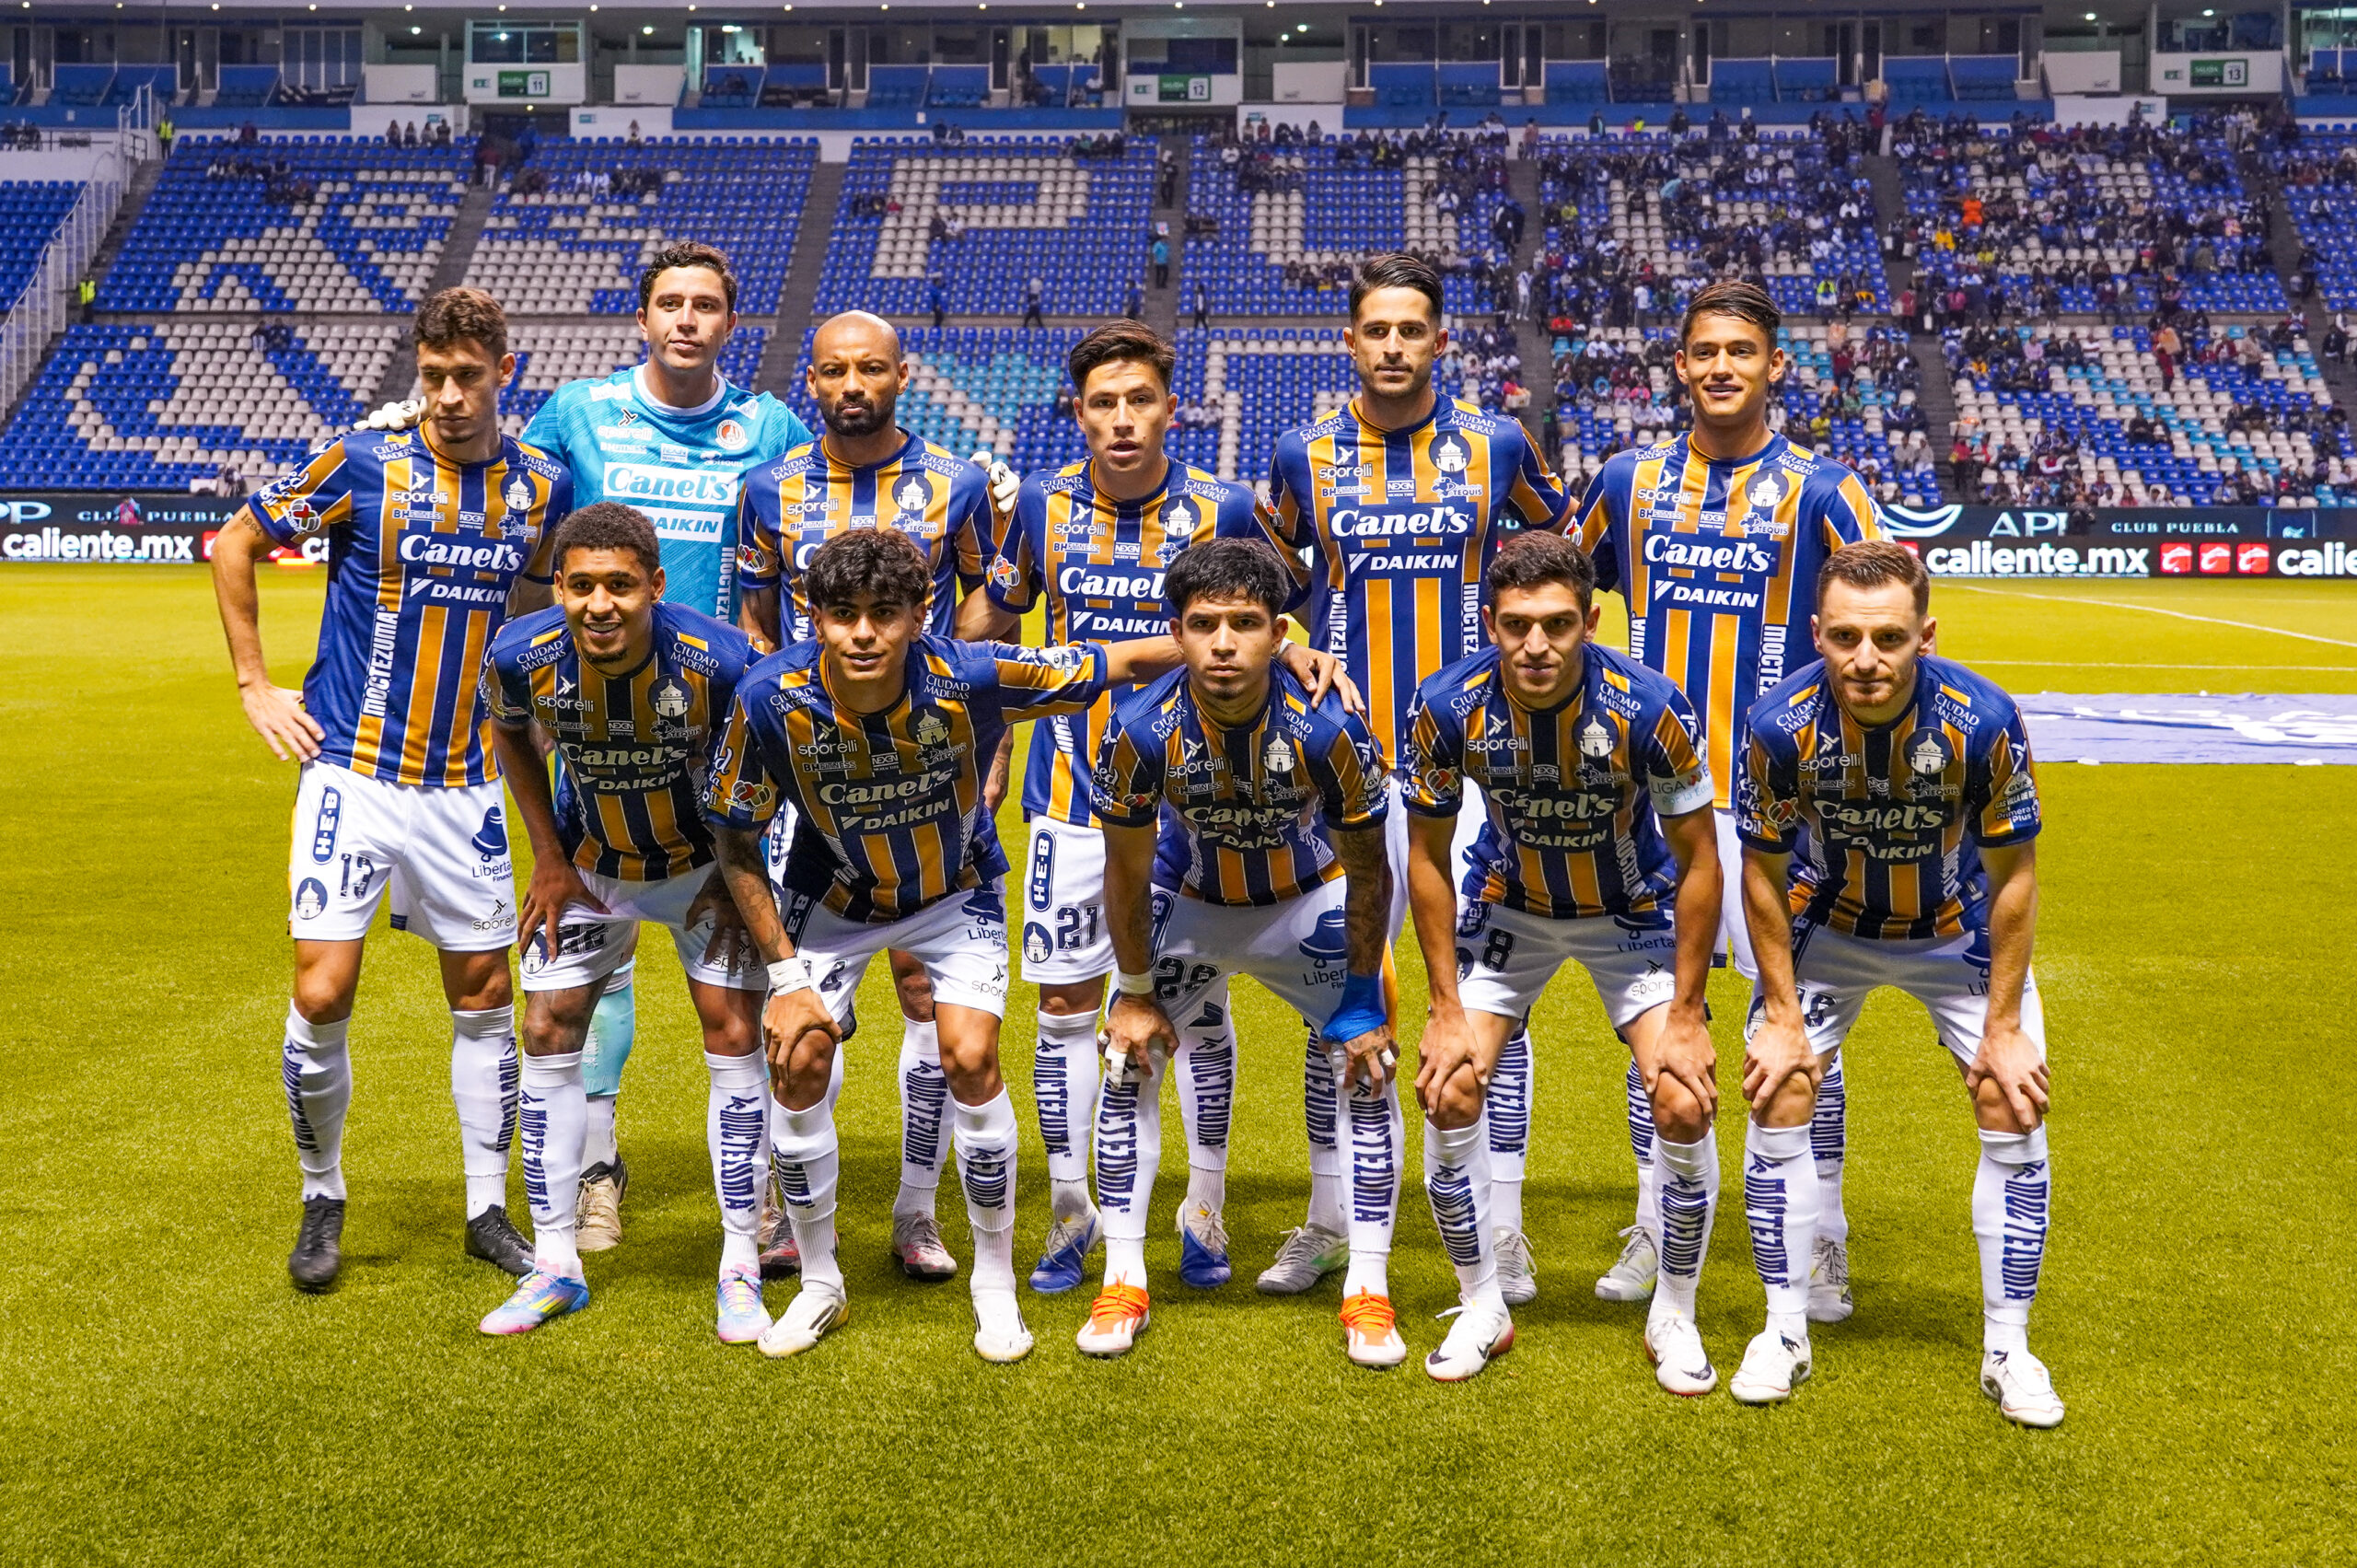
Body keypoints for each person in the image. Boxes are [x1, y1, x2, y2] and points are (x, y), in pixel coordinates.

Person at [703, 528, 1183, 1363]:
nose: (863, 632)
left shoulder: (971, 674)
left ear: (920, 614)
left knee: (969, 1055)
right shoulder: (768, 697)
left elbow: (1116, 660)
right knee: (800, 1058)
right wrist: (784, 976)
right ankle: (821, 1282)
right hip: (833, 901)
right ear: (812, 615)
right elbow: (736, 838)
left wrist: (1276, 649)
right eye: (843, 613)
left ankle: (993, 1283)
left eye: (884, 613)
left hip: (954, 893)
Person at [955, 321, 1353, 1295]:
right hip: (1069, 799)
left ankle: (1201, 1207)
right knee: (1063, 1007)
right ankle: (1071, 1211)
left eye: (1140, 400)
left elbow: (1278, 613)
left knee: (1196, 1004)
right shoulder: (1041, 503)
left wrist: (1301, 648)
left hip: (1192, 805)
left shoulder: (1222, 505)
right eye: (1104, 403)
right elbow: (985, 628)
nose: (1123, 418)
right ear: (1079, 412)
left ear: (1172, 409)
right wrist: (989, 732)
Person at [209, 286, 571, 1293]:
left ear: (505, 372)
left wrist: (538, 699)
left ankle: (485, 1208)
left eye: (468, 376)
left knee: (484, 996)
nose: (450, 395)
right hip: (353, 773)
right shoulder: (361, 460)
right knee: (322, 991)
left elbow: (546, 585)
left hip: (468, 783)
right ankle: (322, 1192)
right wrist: (253, 683)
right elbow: (236, 541)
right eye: (434, 375)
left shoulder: (541, 484)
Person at [1243, 251, 1573, 1303]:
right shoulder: (1301, 453)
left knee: (1485, 995)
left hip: (1475, 765)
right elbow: (1261, 576)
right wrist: (1291, 637)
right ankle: (1330, 1217)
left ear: (1440, 339)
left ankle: (1501, 1227)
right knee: (1341, 992)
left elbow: (1558, 551)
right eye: (1375, 330)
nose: (1392, 346)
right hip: (1345, 763)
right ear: (1349, 341)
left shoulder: (1496, 444)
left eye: (1411, 329)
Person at [1573, 278, 1884, 1318]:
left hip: (1786, 808)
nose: (1720, 367)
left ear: (1773, 365)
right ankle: (1656, 1219)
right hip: (1655, 803)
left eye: (1740, 351)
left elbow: (1886, 623)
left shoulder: (1826, 490)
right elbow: (1562, 591)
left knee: (1803, 1025)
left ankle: (1819, 1234)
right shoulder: (1628, 481)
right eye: (1704, 350)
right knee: (1661, 1019)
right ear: (1678, 365)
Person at [1729, 540, 2061, 1428]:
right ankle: (1783, 1329)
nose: (1866, 658)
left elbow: (2015, 875)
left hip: (1954, 932)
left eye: (1889, 637)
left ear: (1927, 635)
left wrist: (2003, 1028)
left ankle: (2009, 1347)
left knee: (2012, 1097)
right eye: (1845, 637)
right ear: (1817, 633)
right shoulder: (1777, 724)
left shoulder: (1983, 718)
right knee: (1779, 1085)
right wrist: (1782, 1013)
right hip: (1828, 929)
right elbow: (1760, 872)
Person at [1400, 531, 1723, 1388]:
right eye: (1516, 625)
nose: (1536, 644)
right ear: (1490, 623)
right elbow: (1425, 857)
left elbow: (1701, 859)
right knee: (1448, 1085)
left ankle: (1676, 1312)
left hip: (1631, 911)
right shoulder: (1446, 704)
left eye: (1557, 624)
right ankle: (1481, 1305)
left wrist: (1688, 1014)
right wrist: (1443, 1006)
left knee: (1682, 1096)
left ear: (1591, 621)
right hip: (1514, 906)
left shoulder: (1649, 706)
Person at [736, 309, 1004, 1282]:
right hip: (813, 768)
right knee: (804, 1003)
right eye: (835, 370)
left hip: (927, 765)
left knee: (929, 993)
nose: (853, 384)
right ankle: (787, 1207)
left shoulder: (959, 484)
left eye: (871, 369)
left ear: (902, 374)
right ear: (811, 381)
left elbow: (985, 604)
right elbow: (757, 620)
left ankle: (914, 1210)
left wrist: (979, 739)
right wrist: (784, 740)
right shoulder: (766, 487)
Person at [1088, 540, 1399, 1365]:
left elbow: (1370, 870)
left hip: (1306, 901)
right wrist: (1134, 991)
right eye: (1203, 624)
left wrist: (1361, 998)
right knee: (1125, 1058)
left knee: (1368, 1063)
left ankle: (1368, 1287)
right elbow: (1125, 873)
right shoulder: (1137, 729)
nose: (1223, 643)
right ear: (1176, 633)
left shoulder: (1331, 724)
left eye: (1245, 624)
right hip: (1189, 900)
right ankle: (1122, 1281)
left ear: (1278, 633)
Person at [476, 503, 769, 1342]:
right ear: (558, 588)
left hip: (703, 869)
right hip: (591, 866)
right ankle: (555, 1264)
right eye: (580, 586)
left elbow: (764, 761)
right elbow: (510, 736)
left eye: (619, 586)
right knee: (547, 1027)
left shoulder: (720, 658)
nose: (598, 605)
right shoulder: (519, 654)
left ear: (655, 586)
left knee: (732, 1033)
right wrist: (547, 856)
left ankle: (740, 1263)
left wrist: (739, 874)